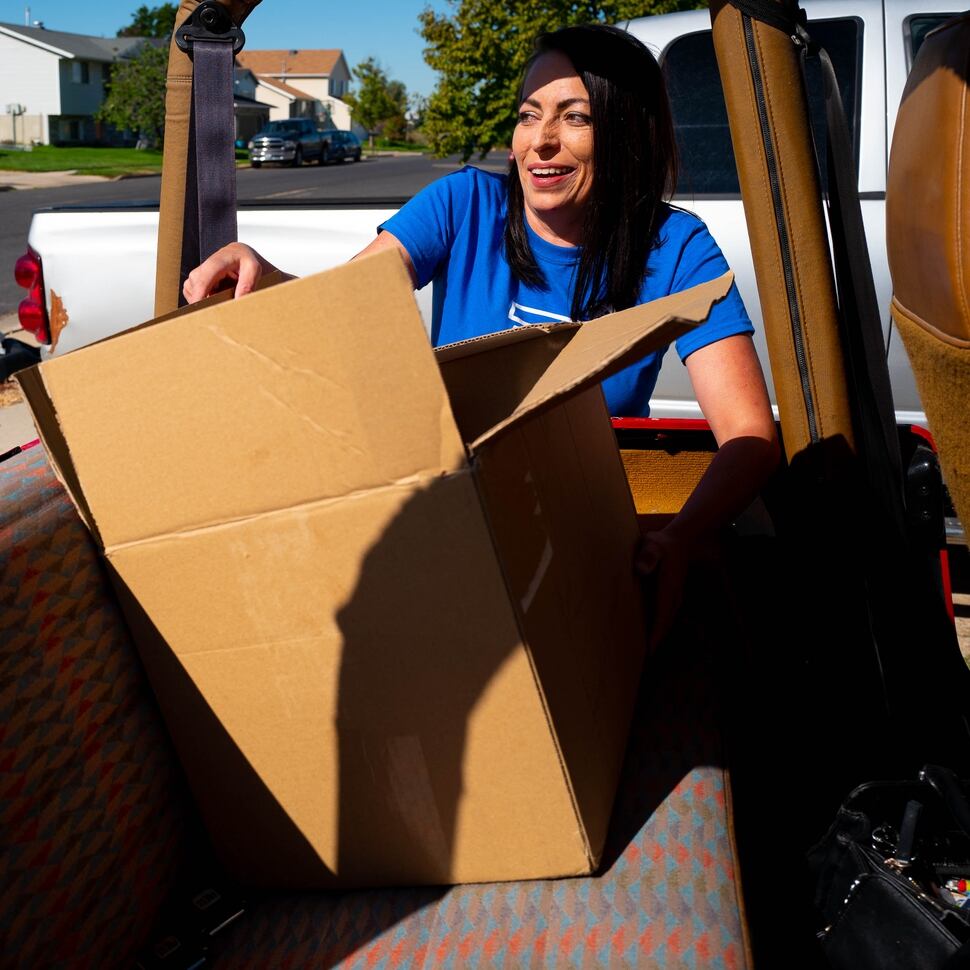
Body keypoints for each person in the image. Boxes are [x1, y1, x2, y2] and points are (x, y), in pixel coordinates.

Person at [183, 24, 779, 644]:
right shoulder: (463, 204)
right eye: (528, 116)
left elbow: (748, 434)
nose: (540, 143)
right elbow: (340, 306)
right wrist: (263, 274)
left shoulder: (676, 246)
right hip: (450, 508)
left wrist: (683, 535)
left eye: (575, 117)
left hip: (584, 526)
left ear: (628, 131)